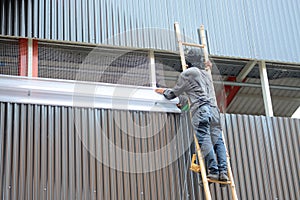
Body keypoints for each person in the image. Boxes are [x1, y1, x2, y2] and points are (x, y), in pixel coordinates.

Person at [155, 48, 229, 182]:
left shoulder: (189, 73)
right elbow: (195, 92)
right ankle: (223, 171)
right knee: (218, 141)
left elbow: (173, 93)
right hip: (215, 111)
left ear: (188, 62)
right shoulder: (207, 75)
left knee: (204, 138)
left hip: (201, 110)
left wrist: (163, 90)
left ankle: (213, 170)